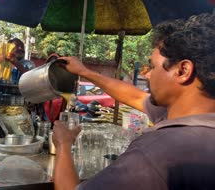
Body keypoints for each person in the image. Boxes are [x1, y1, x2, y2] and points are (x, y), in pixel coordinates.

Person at [52, 13, 215, 190]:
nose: (146, 74)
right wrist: (84, 72)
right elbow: (136, 96)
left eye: (152, 66)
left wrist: (63, 145)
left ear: (183, 71)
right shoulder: (200, 124)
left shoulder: (154, 154)